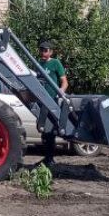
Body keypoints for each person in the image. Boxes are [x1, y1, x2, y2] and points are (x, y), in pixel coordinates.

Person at [37, 40, 67, 168]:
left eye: (45, 50)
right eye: (41, 50)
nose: (43, 52)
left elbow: (64, 82)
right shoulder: (38, 64)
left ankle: (50, 160)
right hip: (41, 100)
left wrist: (60, 92)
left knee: (50, 131)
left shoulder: (55, 63)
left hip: (52, 100)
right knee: (44, 131)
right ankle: (47, 158)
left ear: (51, 52)